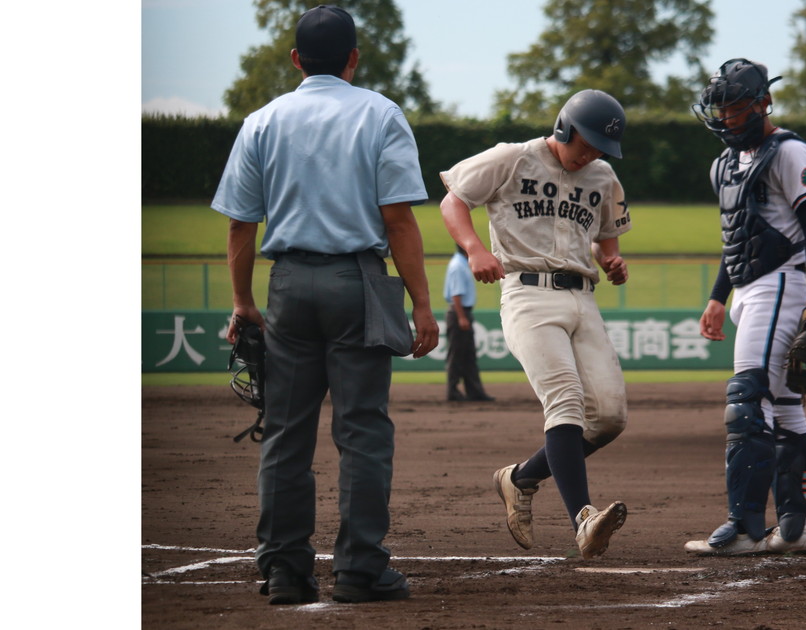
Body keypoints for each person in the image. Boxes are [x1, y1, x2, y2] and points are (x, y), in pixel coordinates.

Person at [211, 5, 438, 605]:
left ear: (295, 60)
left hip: (287, 285)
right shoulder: (381, 114)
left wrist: (242, 302)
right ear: (353, 58)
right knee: (362, 431)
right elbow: (398, 219)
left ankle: (285, 571)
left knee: (286, 432)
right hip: (357, 283)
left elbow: (240, 225)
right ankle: (361, 570)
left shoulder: (262, 121)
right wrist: (421, 304)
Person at [439, 89, 632, 559]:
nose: (590, 155)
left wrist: (610, 259)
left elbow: (606, 235)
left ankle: (520, 479)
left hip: (583, 298)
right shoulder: (512, 158)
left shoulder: (603, 176)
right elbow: (453, 201)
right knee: (565, 400)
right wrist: (474, 248)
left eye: (599, 149)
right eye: (585, 144)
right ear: (565, 127)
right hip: (528, 295)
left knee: (609, 418)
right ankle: (582, 519)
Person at [684, 58, 806, 556]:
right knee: (785, 407)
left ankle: (745, 528)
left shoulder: (790, 152)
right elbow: (738, 239)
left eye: (736, 106)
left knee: (748, 400)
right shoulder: (724, 165)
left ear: (764, 102)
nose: (726, 116)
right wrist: (717, 296)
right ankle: (795, 528)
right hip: (749, 288)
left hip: (782, 283)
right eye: (721, 107)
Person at [444, 244, 495, 402]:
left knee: (468, 355)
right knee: (457, 355)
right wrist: (461, 317)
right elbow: (456, 295)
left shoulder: (461, 263)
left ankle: (475, 391)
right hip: (459, 313)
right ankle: (453, 391)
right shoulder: (458, 266)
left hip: (462, 312)